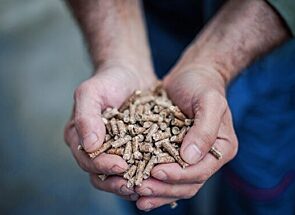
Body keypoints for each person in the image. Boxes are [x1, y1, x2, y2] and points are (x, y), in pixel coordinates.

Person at [64, 0, 295, 214]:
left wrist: (214, 68)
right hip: (157, 20)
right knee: (147, 192)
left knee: (262, 180)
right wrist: (117, 57)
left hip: (268, 47)